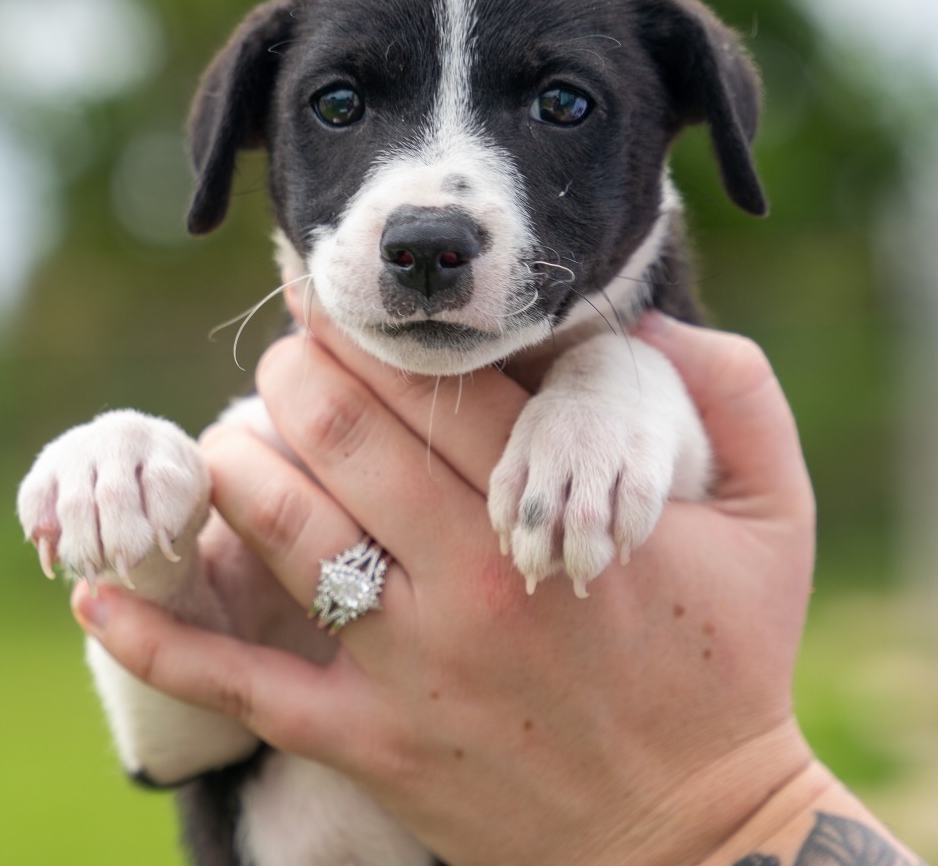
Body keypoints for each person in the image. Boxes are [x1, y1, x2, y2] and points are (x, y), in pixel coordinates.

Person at [71, 308, 923, 866]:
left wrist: (726, 812)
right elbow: (175, 741)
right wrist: (149, 520)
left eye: (561, 103)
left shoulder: (643, 395)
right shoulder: (278, 436)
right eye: (341, 104)